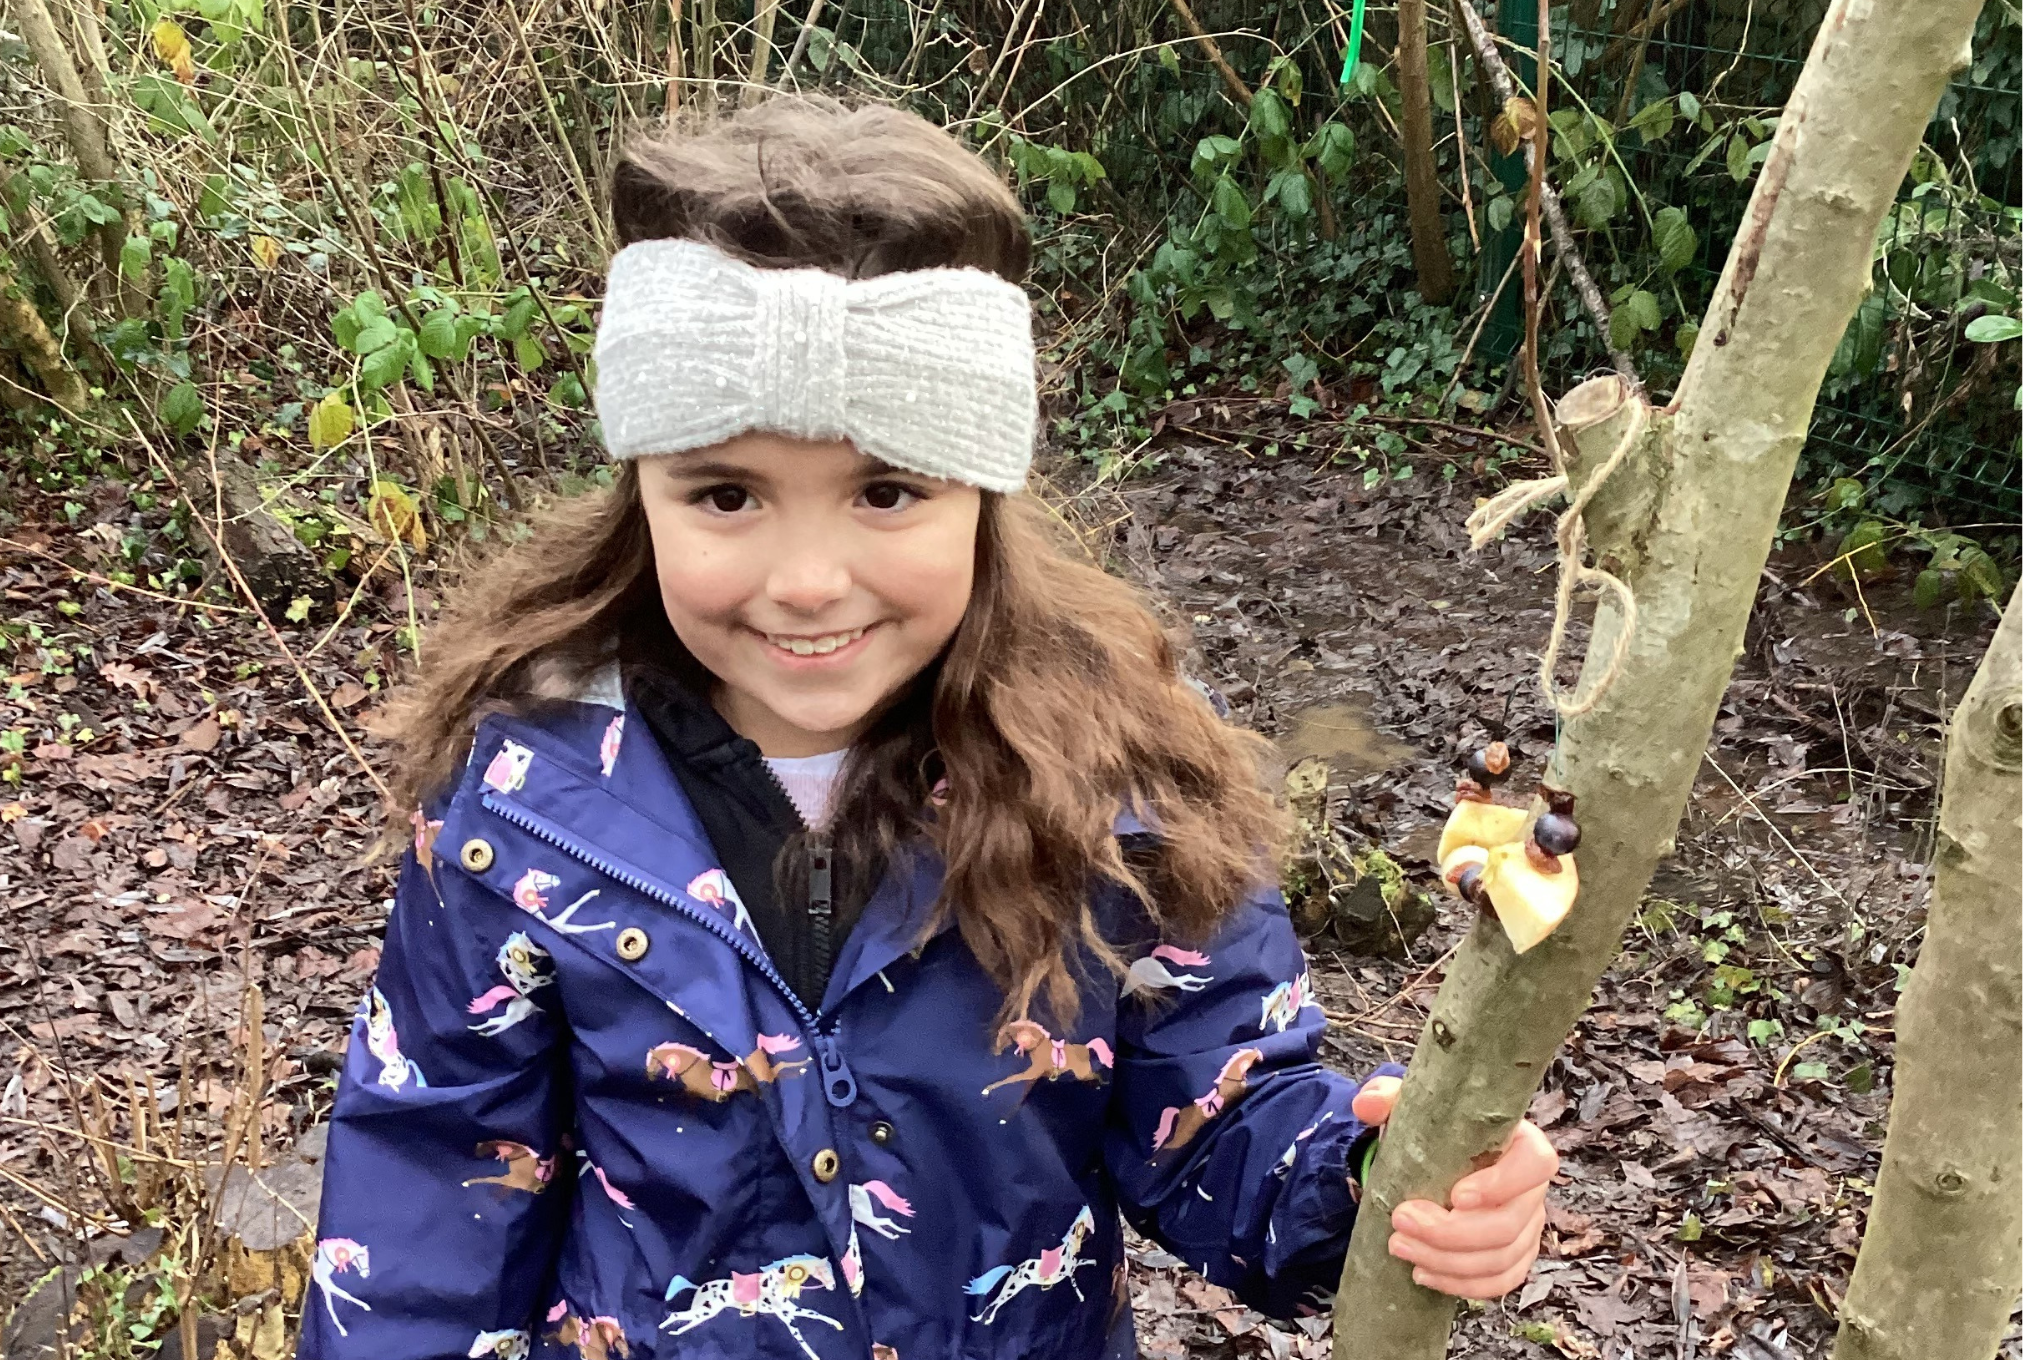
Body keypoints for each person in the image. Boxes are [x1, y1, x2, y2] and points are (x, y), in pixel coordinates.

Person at [302, 93, 1559, 1360]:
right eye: (726, 493)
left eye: (886, 489)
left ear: (981, 494)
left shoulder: (1118, 769)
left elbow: (1220, 1118)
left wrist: (1377, 1181)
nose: (805, 579)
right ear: (641, 487)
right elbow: (435, 1182)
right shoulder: (527, 793)